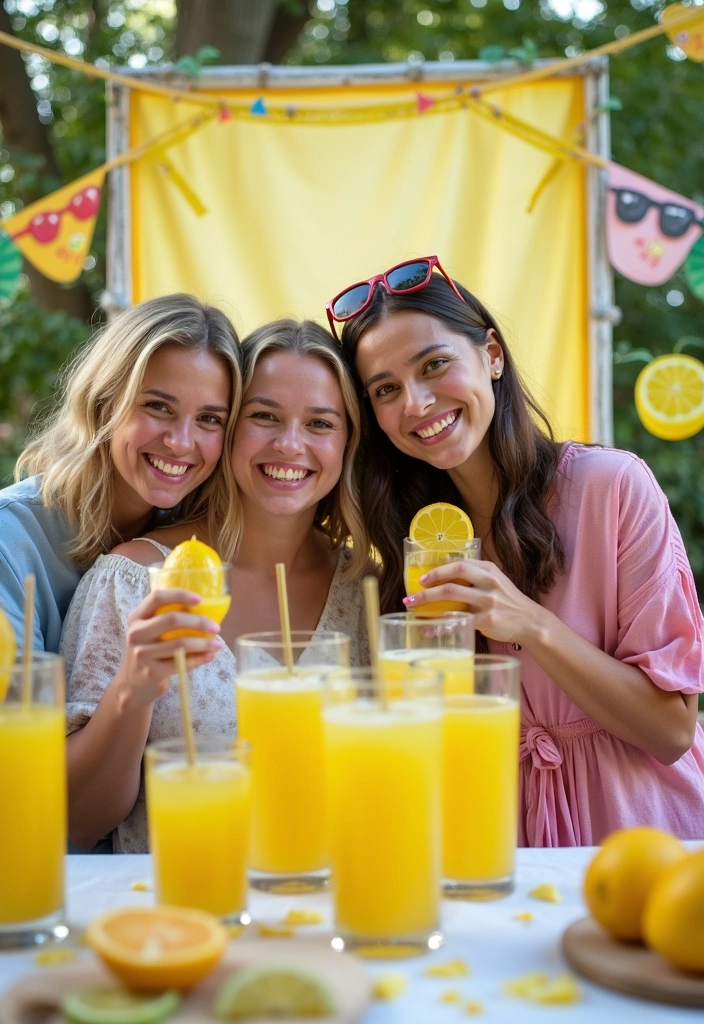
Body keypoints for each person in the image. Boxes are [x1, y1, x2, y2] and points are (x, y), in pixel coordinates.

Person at [329, 255, 704, 846]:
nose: (417, 403)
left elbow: (672, 730)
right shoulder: (405, 540)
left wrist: (532, 624)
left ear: (493, 355)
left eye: (435, 365)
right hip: (496, 850)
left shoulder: (612, 488)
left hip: (639, 838)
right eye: (386, 389)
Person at [62, 319, 373, 853]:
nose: (289, 444)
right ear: (228, 430)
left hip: (332, 917)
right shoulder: (136, 581)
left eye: (320, 423)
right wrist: (132, 691)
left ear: (348, 441)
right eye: (264, 416)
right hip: (181, 919)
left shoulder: (368, 591)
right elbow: (75, 821)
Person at [0, 294, 241, 653]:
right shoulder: (10, 538)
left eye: (209, 419)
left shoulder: (193, 539)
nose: (179, 442)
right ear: (102, 403)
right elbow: (19, 706)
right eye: (158, 407)